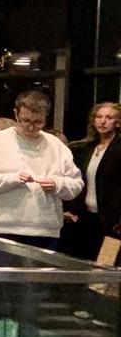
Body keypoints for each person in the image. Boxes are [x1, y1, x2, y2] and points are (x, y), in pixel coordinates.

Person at [0, 89, 84, 250]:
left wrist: (57, 184)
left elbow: (76, 184)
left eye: (38, 122)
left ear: (46, 118)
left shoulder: (56, 145)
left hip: (46, 230)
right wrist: (11, 179)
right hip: (0, 228)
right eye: (25, 120)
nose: (31, 127)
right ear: (16, 114)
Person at [65, 102, 121, 259]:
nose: (103, 121)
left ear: (117, 123)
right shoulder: (86, 148)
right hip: (86, 218)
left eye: (109, 118)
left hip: (112, 221)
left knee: (106, 263)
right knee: (84, 262)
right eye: (99, 117)